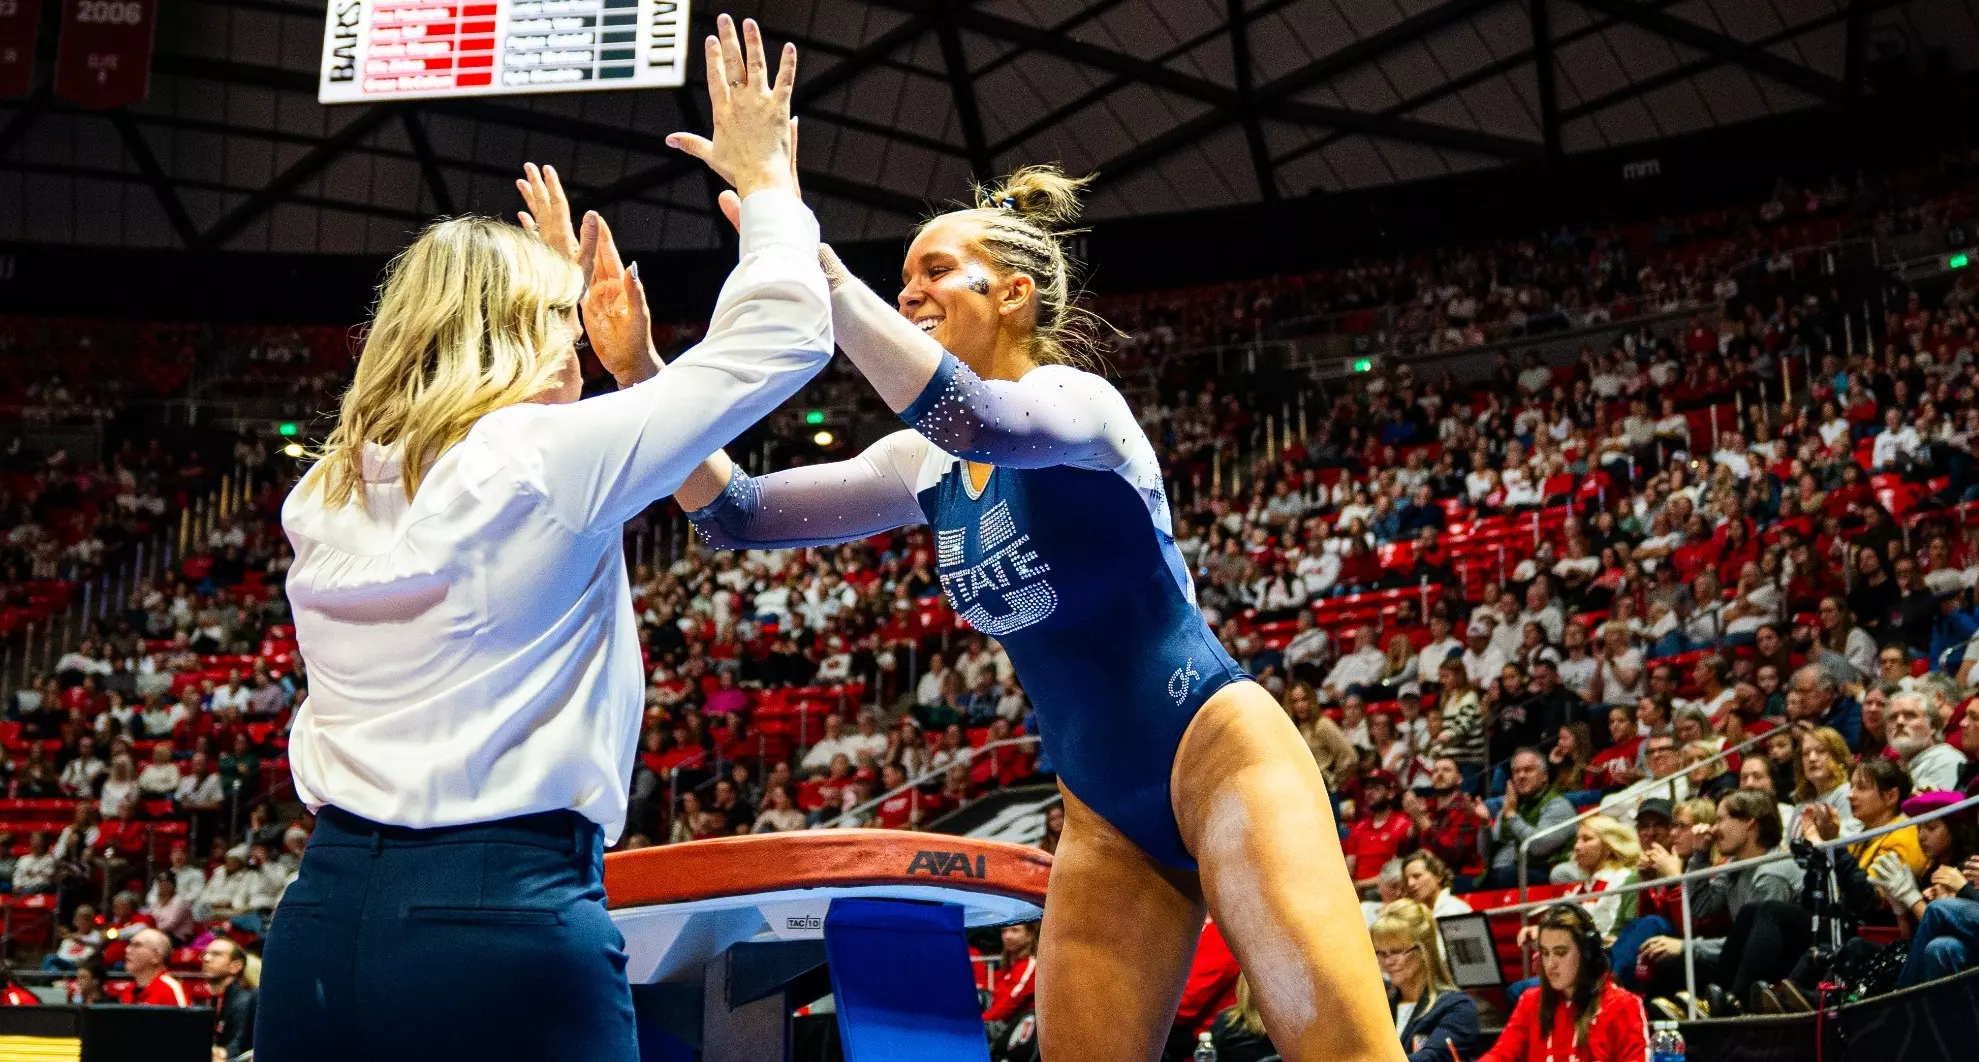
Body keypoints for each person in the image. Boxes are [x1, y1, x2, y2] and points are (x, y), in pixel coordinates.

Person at [675, 165, 1395, 1059]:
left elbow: (971, 416)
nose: (911, 291)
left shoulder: (1077, 405)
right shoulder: (918, 463)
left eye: (936, 270)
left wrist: (817, 267)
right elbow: (737, 515)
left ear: (1014, 293)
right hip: (1102, 813)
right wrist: (640, 374)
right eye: (904, 278)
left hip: (1218, 757)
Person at [256, 20, 827, 1062]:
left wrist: (604, 361)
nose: (574, 334)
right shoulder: (540, 461)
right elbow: (785, 335)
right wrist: (768, 181)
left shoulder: (322, 492)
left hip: (322, 926)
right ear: (514, 334)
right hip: (498, 917)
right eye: (556, 320)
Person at [1478, 905, 1648, 1062]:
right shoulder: (1530, 1002)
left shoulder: (1624, 1006)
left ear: (1587, 954)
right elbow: (1501, 1054)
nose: (1550, 964)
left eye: (1561, 953)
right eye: (1545, 953)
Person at [1371, 900, 1480, 1062]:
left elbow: (1430, 1058)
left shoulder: (1457, 1007)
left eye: (1396, 951)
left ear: (1424, 951)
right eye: (1380, 953)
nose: (1388, 961)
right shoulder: (1380, 1004)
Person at [1481, 748, 1578, 888]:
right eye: (1516, 771)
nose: (1521, 776)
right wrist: (1484, 825)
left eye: (1528, 770)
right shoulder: (1513, 805)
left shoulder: (1558, 805)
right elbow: (1485, 853)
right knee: (1462, 883)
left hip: (1546, 872)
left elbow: (1539, 847)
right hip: (1507, 872)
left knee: (1504, 876)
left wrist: (1512, 816)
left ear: (1544, 776)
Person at [1886, 691, 1968, 792]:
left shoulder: (1945, 759)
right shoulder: (1896, 766)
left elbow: (1930, 807)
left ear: (1932, 725)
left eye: (1910, 715)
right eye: (1893, 717)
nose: (1899, 722)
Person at [206, 937, 257, 1062]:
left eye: (216, 954)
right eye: (204, 954)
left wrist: (223, 1053)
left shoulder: (245, 1001)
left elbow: (241, 1046)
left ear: (236, 966)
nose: (206, 959)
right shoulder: (211, 1000)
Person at [981, 922, 1038, 1029]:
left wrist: (980, 1020)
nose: (1008, 936)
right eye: (1004, 931)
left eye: (1015, 930)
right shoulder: (1008, 969)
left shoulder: (1030, 965)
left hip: (1011, 1029)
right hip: (998, 1023)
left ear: (1030, 936)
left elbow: (1010, 1002)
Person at [122, 928, 190, 1006]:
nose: (127, 950)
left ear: (156, 957)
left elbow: (184, 1018)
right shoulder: (128, 990)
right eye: (130, 945)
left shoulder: (169, 989)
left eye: (137, 945)